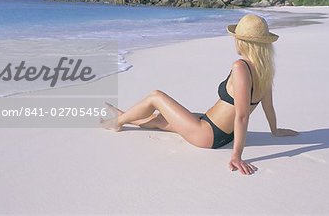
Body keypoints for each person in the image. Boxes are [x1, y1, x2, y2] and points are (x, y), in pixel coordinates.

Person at [101, 14, 298, 175]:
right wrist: (275, 130)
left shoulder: (241, 67)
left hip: (207, 133)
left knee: (156, 97)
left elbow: (242, 114)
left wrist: (237, 155)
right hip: (224, 134)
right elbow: (268, 106)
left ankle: (116, 123)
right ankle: (123, 116)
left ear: (242, 41)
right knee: (160, 119)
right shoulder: (265, 71)